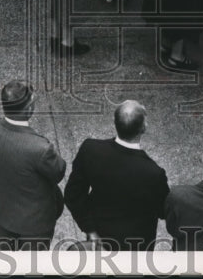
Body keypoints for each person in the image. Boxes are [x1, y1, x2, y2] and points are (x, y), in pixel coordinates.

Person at [64, 100, 169, 251]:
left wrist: (90, 229)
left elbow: (73, 196)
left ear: (115, 123)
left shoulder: (90, 149)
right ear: (144, 128)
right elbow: (164, 211)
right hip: (136, 246)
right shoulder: (153, 173)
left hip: (99, 238)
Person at [0, 81, 66, 250]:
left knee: (1, 264)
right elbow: (58, 172)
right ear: (29, 108)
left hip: (1, 212)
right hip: (35, 222)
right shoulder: (40, 148)